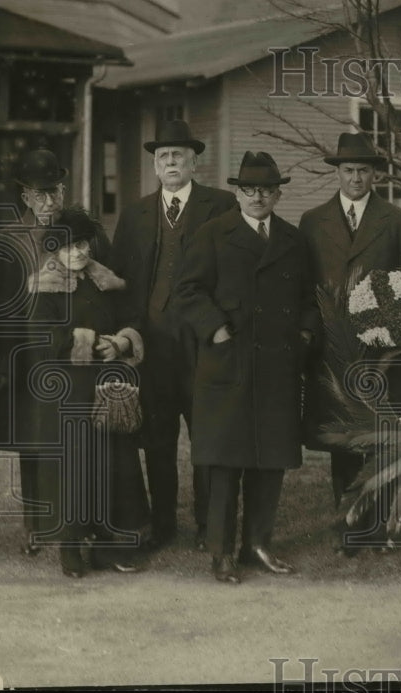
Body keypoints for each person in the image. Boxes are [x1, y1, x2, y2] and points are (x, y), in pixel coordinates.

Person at [175, 151, 319, 584]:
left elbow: (310, 300)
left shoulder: (292, 240)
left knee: (269, 461)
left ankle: (257, 545)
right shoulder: (213, 233)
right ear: (238, 193)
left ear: (277, 194)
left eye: (267, 190)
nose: (258, 197)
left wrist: (306, 336)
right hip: (228, 365)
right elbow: (187, 291)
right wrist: (215, 328)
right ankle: (221, 553)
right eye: (250, 190)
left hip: (277, 368)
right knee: (224, 463)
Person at [109, 119, 236, 552]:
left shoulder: (220, 206)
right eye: (162, 156)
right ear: (155, 166)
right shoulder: (136, 214)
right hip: (154, 349)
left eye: (178, 155)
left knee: (206, 437)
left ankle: (207, 525)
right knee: (158, 440)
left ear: (194, 161)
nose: (170, 162)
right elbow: (121, 280)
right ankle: (162, 525)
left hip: (202, 344)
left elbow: (233, 276)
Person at [0, 149, 107, 557]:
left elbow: (99, 292)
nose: (49, 202)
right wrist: (3, 362)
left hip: (74, 353)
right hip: (24, 356)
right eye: (40, 195)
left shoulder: (83, 231)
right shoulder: (7, 240)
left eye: (55, 191)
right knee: (33, 440)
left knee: (80, 438)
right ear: (25, 196)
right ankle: (36, 525)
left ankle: (81, 520)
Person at [298, 131, 401, 544]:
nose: (356, 178)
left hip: (381, 351)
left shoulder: (397, 221)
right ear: (338, 173)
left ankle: (379, 522)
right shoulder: (313, 222)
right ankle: (349, 518)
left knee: (380, 435)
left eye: (364, 171)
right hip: (331, 350)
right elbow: (305, 284)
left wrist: (396, 335)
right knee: (341, 436)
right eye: (349, 170)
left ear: (375, 176)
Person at [24, 207, 149, 578]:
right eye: (68, 246)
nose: (78, 252)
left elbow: (133, 318)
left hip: (107, 391)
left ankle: (108, 547)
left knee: (112, 467)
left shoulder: (105, 281)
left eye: (82, 244)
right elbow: (43, 338)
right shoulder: (44, 287)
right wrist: (91, 341)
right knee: (73, 471)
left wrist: (123, 343)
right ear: (55, 250)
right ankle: (71, 547)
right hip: (67, 396)